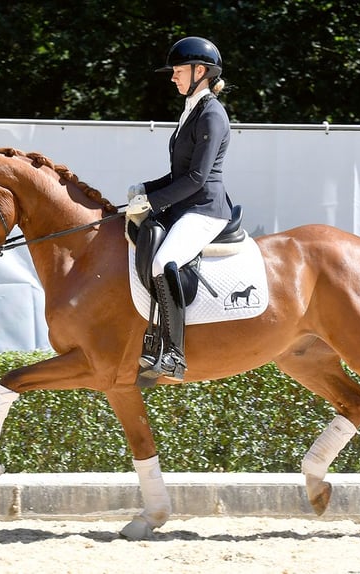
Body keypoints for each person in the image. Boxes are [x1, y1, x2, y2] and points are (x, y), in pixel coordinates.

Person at [127, 36, 232, 381]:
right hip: (186, 204)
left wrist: (153, 202)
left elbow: (198, 177)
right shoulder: (192, 110)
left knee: (163, 261)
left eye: (178, 70)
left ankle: (173, 353)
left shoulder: (212, 114)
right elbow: (178, 174)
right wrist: (145, 188)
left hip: (205, 209)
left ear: (200, 71)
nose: (173, 77)